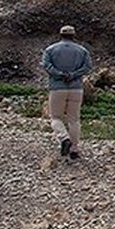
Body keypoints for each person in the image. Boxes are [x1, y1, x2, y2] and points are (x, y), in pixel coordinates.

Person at [41, 25, 93, 160]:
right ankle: (74, 150)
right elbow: (87, 67)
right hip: (76, 87)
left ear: (60, 35)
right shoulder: (82, 50)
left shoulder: (50, 49)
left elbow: (46, 65)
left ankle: (64, 138)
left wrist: (60, 74)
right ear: (74, 35)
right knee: (74, 119)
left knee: (56, 117)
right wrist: (74, 74)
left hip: (57, 87)